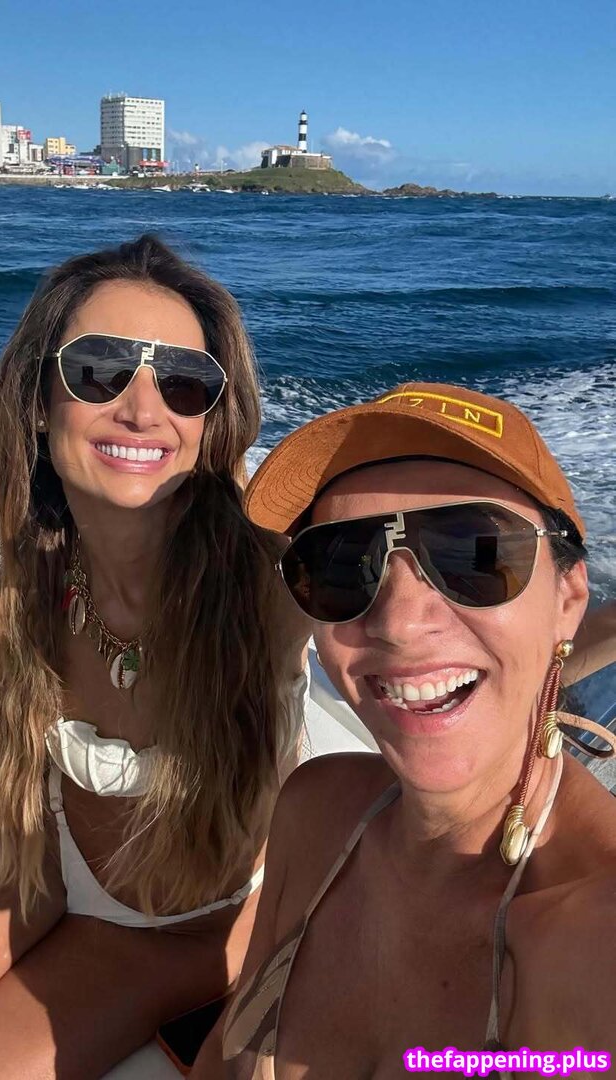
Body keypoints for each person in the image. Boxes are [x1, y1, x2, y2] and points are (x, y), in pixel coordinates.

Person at [0, 236, 310, 1078]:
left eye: (183, 382)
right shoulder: (20, 607)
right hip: (32, 855)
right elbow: (7, 761)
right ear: (39, 402)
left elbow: (434, 640)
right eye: (100, 371)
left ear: (207, 422)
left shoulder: (268, 588)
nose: (143, 410)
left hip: (169, 930)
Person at [193, 382, 616, 1079]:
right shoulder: (315, 811)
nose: (397, 622)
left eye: (474, 553)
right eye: (339, 565)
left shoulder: (592, 940)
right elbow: (222, 1056)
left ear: (568, 599)